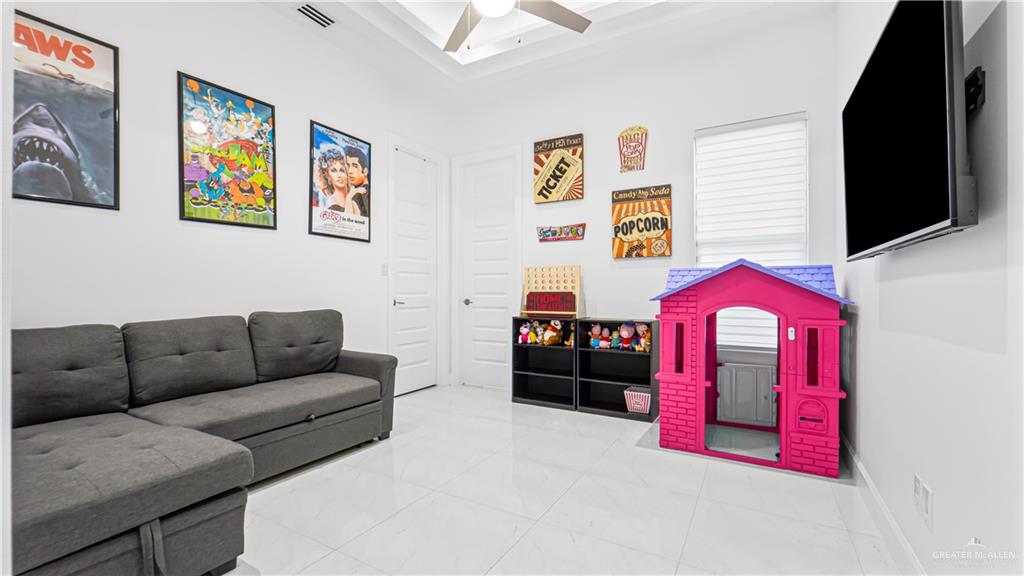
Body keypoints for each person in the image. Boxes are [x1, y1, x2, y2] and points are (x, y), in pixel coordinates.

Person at [315, 145, 359, 215]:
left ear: (347, 174)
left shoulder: (353, 202)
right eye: (333, 171)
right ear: (328, 176)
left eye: (342, 170)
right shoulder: (331, 203)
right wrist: (349, 197)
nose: (339, 175)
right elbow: (347, 220)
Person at [344, 145, 370, 217]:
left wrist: (349, 197)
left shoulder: (361, 194)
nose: (350, 171)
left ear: (365, 171)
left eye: (355, 166)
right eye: (348, 165)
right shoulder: (355, 192)